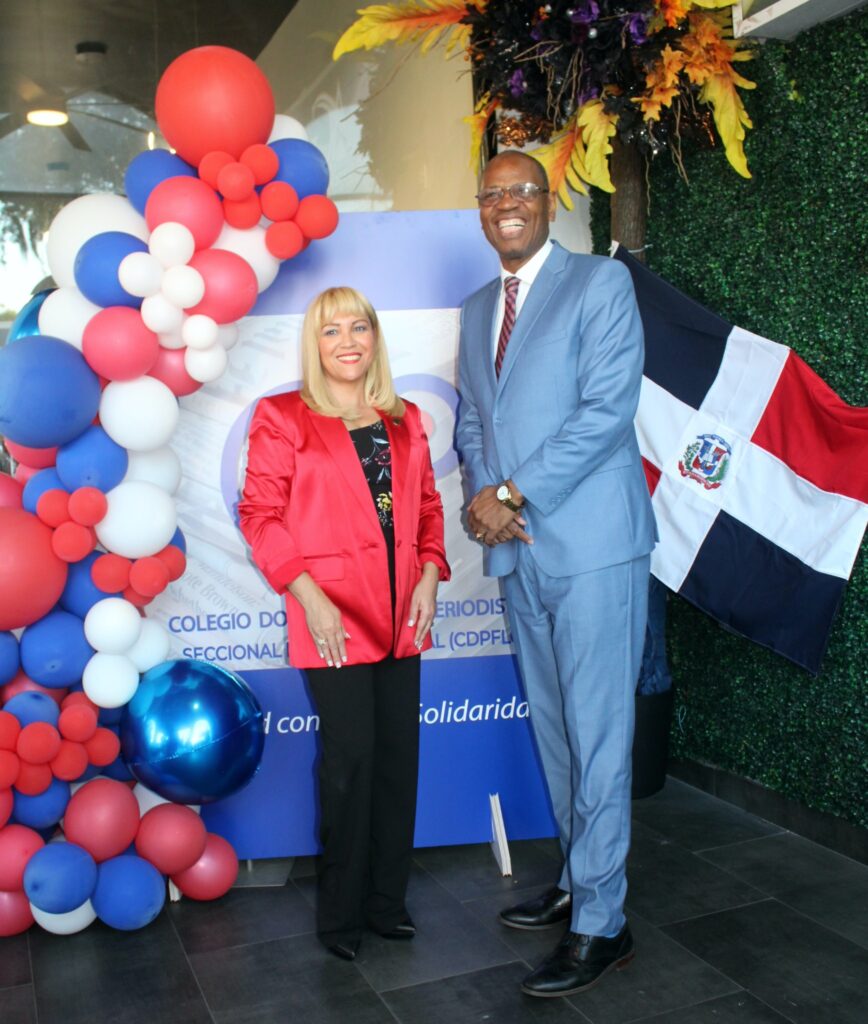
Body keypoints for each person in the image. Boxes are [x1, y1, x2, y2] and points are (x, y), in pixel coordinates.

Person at [456, 151, 657, 997]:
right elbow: (473, 419)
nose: (508, 204)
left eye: (522, 191)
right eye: (493, 193)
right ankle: (580, 878)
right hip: (519, 551)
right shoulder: (478, 308)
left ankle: (603, 924)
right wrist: (487, 499)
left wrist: (512, 492)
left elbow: (607, 412)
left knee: (599, 734)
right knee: (556, 731)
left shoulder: (600, 286)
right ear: (481, 209)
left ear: (546, 202)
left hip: (594, 547)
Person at [238, 286, 450, 962]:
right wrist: (308, 595)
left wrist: (430, 574)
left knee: (397, 763)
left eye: (359, 327)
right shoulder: (283, 417)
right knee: (350, 764)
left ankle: (387, 904)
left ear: (375, 338)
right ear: (315, 344)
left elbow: (426, 507)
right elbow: (259, 516)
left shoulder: (406, 419)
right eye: (332, 331)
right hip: (331, 618)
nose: (348, 341)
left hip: (402, 616)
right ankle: (341, 916)